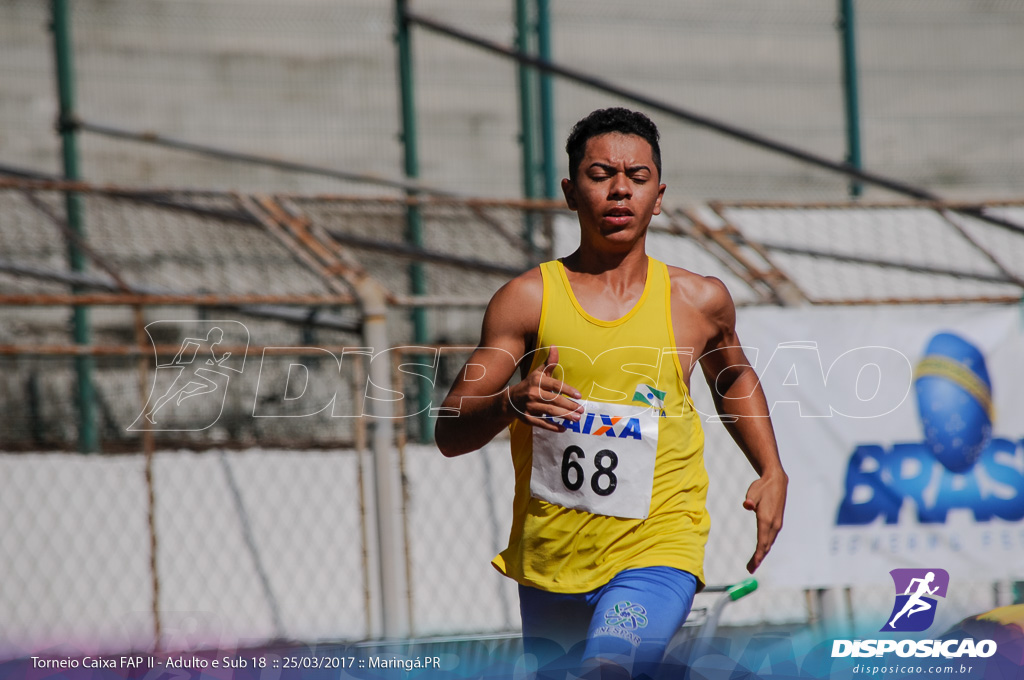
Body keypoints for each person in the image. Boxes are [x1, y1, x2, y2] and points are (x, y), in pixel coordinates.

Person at [435, 107, 787, 680]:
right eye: (601, 175)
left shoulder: (698, 301)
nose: (620, 189)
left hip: (657, 549)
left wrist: (771, 469)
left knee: (610, 664)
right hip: (551, 560)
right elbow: (449, 429)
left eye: (637, 177)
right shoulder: (526, 301)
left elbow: (734, 376)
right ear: (572, 193)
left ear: (659, 193)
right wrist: (509, 402)